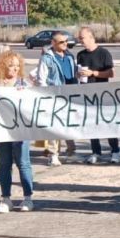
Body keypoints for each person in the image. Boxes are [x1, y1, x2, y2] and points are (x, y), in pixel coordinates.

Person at [0, 51, 35, 213]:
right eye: (11, 65)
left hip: (20, 131)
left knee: (23, 163)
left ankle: (28, 198)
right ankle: (6, 198)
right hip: (0, 131)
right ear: (2, 65)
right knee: (4, 164)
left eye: (17, 65)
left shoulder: (23, 83)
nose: (14, 69)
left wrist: (26, 95)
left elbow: (33, 104)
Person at [76, 27, 120, 164]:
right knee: (91, 124)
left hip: (103, 93)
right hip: (87, 93)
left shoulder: (103, 53)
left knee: (107, 122)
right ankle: (96, 151)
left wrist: (93, 73)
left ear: (91, 37)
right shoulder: (80, 55)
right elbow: (78, 72)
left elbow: (111, 73)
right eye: (79, 38)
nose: (80, 41)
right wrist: (79, 75)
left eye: (82, 38)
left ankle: (115, 151)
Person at [36, 31, 78, 166]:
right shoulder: (47, 58)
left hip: (70, 95)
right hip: (54, 95)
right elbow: (41, 79)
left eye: (66, 41)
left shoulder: (70, 57)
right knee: (55, 126)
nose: (65, 44)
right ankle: (54, 154)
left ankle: (71, 151)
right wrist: (47, 94)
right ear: (53, 43)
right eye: (61, 42)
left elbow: (73, 73)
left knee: (69, 125)